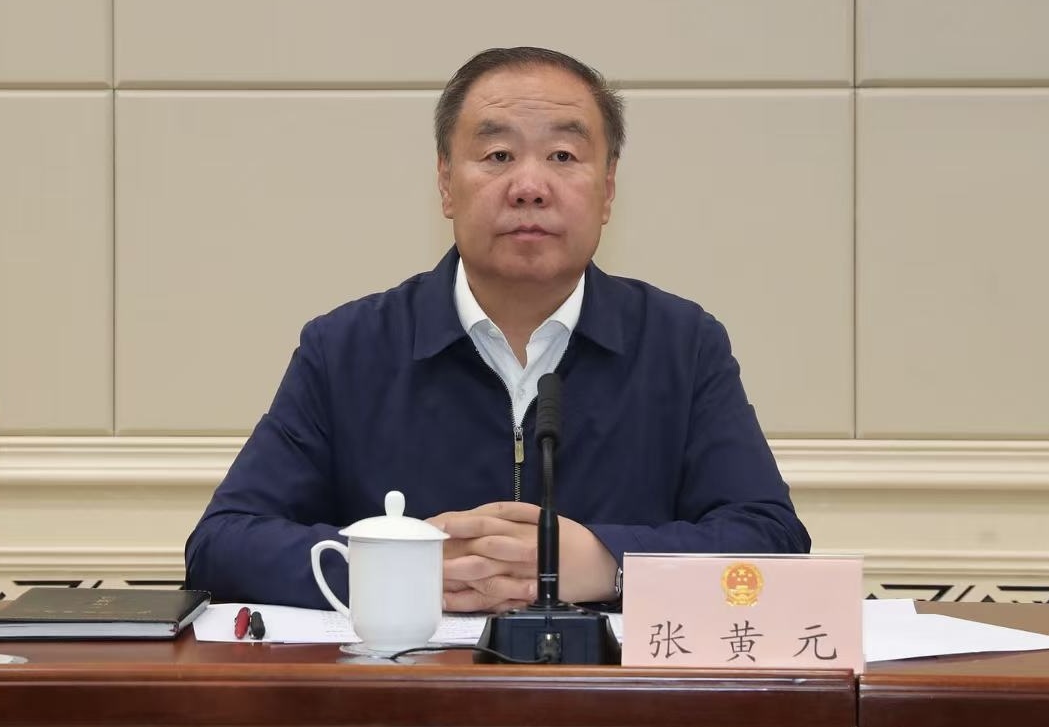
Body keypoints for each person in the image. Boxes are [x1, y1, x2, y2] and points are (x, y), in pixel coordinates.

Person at [184, 46, 810, 611]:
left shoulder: (680, 344)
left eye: (563, 156)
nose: (529, 186)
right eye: (498, 156)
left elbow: (772, 539)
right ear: (445, 183)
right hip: (412, 694)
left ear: (608, 188)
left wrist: (608, 564)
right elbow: (222, 544)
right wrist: (399, 567)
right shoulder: (347, 348)